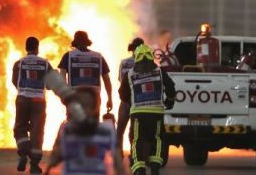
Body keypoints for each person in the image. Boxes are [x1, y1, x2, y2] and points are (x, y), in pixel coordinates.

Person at [119, 44, 176, 175]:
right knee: (157, 139)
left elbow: (122, 95)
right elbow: (171, 87)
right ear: (151, 57)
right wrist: (170, 101)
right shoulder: (160, 71)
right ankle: (155, 168)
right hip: (156, 113)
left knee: (137, 139)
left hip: (138, 114)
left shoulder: (129, 74)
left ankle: (139, 168)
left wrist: (132, 102)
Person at [44, 86, 126, 175]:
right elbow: (54, 159)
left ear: (95, 108)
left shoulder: (106, 131)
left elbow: (118, 165)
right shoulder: (66, 130)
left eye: (87, 106)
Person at [12, 37, 53, 174]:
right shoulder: (45, 64)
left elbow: (15, 82)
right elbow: (50, 85)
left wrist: (25, 90)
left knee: (20, 128)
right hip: (38, 101)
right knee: (37, 132)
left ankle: (23, 153)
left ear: (26, 48)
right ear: (37, 48)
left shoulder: (18, 63)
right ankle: (34, 165)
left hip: (22, 99)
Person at [58, 31, 113, 113]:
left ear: (75, 43)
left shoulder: (68, 56)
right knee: (92, 124)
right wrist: (109, 98)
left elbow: (61, 78)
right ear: (87, 42)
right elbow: (107, 80)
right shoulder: (98, 56)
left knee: (74, 123)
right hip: (94, 98)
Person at [117, 37, 144, 154]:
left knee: (120, 129)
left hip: (125, 100)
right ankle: (134, 154)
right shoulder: (147, 64)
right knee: (135, 130)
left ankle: (118, 153)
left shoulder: (124, 63)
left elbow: (120, 79)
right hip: (140, 101)